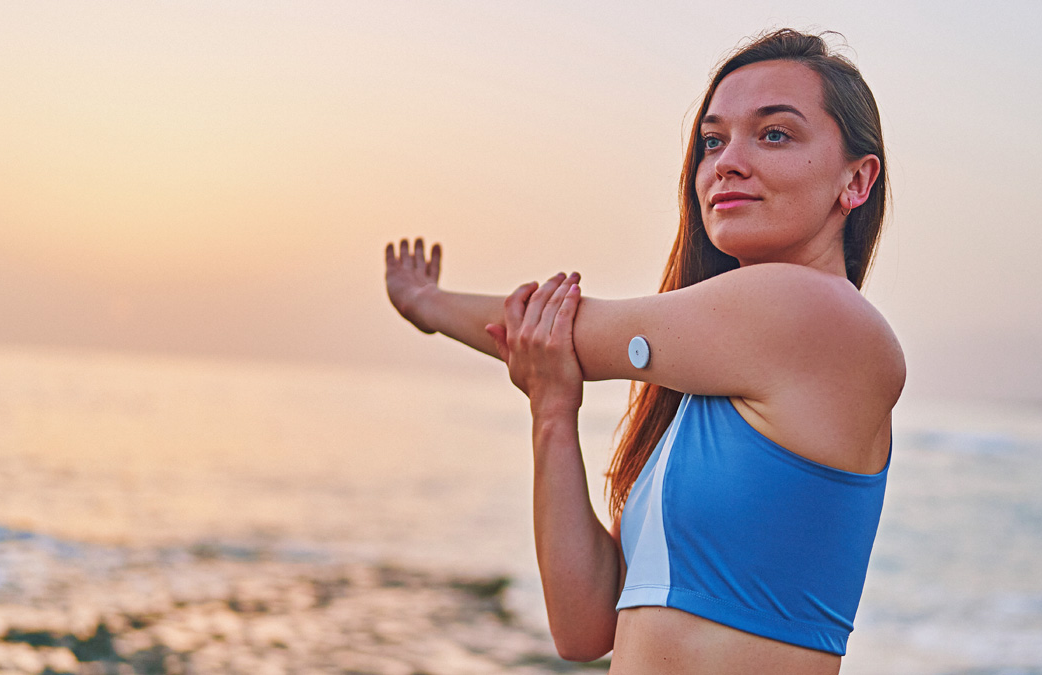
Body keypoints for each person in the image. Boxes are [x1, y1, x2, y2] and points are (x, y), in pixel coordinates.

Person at [383, 28, 903, 674]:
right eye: (713, 141)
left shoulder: (817, 315)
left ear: (857, 180)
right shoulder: (710, 392)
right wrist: (552, 412)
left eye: (773, 134)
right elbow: (582, 626)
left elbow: (570, 330)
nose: (726, 162)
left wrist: (428, 305)